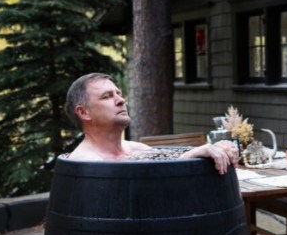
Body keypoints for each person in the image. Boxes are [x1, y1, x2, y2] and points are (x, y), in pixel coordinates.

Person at [64, 73, 238, 174]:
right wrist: (192, 155)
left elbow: (166, 167)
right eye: (107, 96)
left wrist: (217, 148)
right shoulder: (85, 162)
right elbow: (135, 190)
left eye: (119, 93)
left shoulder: (138, 149)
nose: (121, 100)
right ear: (83, 112)